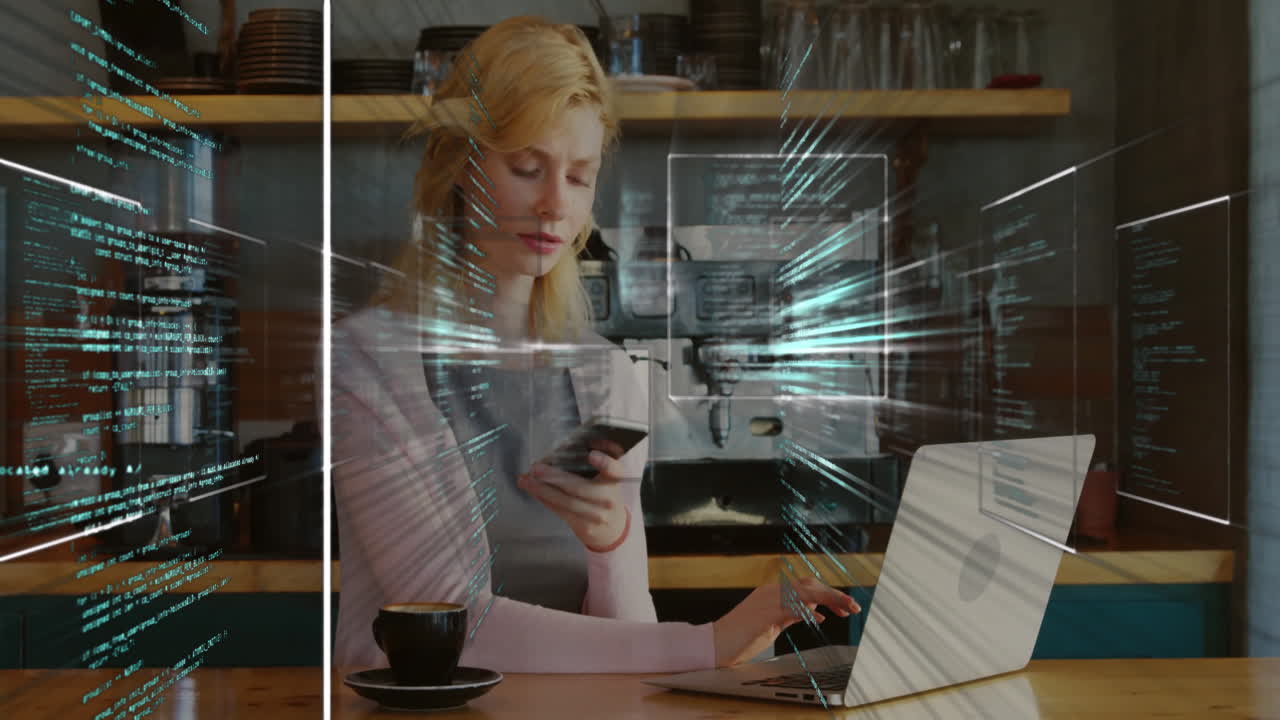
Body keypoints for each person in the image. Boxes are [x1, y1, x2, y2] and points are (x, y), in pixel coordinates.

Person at [327, 15, 859, 674]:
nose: (555, 204)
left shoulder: (607, 376)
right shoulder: (367, 362)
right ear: (461, 165)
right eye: (528, 168)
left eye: (579, 177)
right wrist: (708, 644)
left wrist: (611, 547)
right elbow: (451, 626)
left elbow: (629, 641)